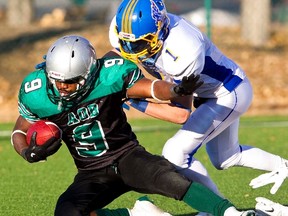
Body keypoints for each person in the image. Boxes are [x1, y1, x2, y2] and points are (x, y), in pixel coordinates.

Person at [11, 35, 256, 216]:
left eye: (71, 82)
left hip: (128, 157)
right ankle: (136, 214)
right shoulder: (37, 92)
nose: (62, 86)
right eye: (57, 80)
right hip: (91, 172)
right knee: (66, 212)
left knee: (173, 180)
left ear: (88, 73)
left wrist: (175, 90)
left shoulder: (108, 76)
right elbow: (19, 130)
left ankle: (230, 213)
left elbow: (150, 88)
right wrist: (27, 151)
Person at [109, 0, 288, 208]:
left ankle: (218, 208)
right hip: (209, 93)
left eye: (141, 43)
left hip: (227, 92)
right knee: (226, 158)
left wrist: (134, 101)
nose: (132, 50)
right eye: (127, 42)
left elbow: (180, 114)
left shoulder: (184, 48)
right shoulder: (124, 30)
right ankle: (283, 166)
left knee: (175, 151)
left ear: (160, 28)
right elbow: (114, 59)